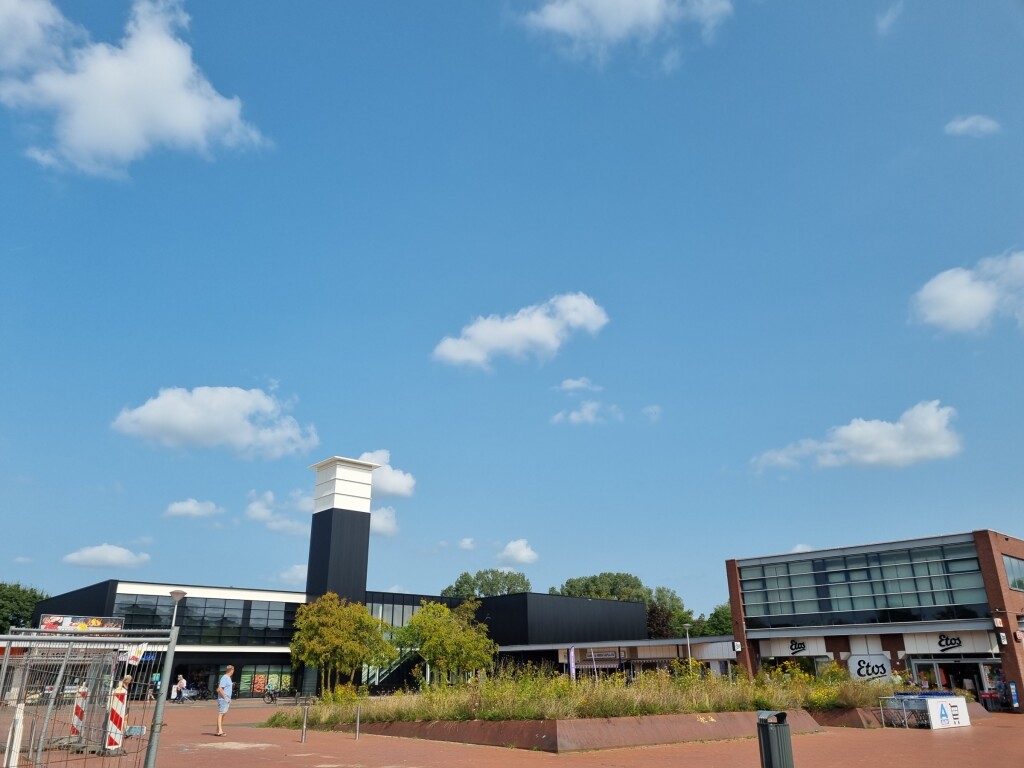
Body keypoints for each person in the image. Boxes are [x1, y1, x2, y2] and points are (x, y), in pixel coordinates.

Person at [215, 665, 234, 736]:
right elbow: (220, 689)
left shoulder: (228, 678)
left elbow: (218, 689)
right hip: (223, 699)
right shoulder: (225, 677)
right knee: (221, 714)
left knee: (223, 714)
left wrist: (228, 699)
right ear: (231, 670)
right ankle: (220, 731)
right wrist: (225, 698)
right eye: (232, 670)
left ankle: (218, 730)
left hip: (226, 699)